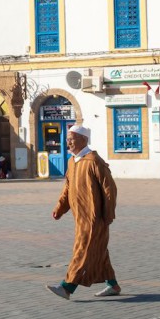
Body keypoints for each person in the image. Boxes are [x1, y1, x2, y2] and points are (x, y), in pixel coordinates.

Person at [47, 124, 121, 300]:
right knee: (99, 251)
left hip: (95, 217)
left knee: (83, 249)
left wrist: (108, 215)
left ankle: (67, 287)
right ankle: (113, 285)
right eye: (67, 140)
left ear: (83, 140)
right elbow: (68, 187)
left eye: (71, 139)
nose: (68, 143)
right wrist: (60, 208)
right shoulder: (72, 161)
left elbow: (109, 189)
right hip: (79, 217)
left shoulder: (94, 161)